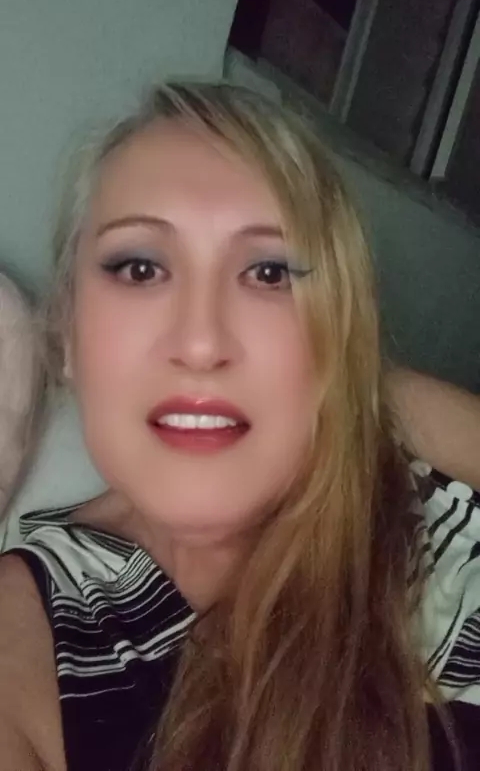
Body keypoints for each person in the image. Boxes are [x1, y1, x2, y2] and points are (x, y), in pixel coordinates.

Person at [0, 82, 478, 771]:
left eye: (268, 272)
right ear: (68, 335)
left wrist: (351, 389)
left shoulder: (416, 464)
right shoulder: (26, 643)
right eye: (140, 267)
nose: (201, 343)